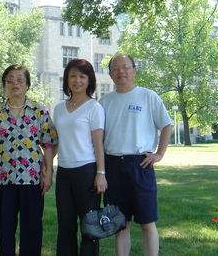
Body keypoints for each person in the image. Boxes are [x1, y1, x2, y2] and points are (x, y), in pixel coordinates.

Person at [99, 54, 173, 256]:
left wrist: (159, 154)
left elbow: (166, 125)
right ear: (110, 74)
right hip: (112, 166)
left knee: (147, 223)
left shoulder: (148, 96)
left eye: (125, 67)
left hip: (140, 165)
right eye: (115, 68)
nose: (120, 71)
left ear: (134, 70)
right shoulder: (104, 102)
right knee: (120, 225)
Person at [0, 64, 58, 256]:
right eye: (10, 79)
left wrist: (48, 173)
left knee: (32, 229)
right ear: (4, 85)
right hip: (3, 180)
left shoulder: (39, 110)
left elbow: (49, 143)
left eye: (20, 79)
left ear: (27, 85)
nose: (15, 83)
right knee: (4, 228)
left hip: (32, 179)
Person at [53, 59, 107, 256]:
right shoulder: (59, 108)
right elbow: (55, 141)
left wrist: (100, 173)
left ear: (89, 80)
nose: (77, 80)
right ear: (66, 80)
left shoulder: (94, 107)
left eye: (82, 76)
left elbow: (98, 143)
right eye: (73, 76)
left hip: (87, 171)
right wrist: (47, 168)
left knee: (89, 227)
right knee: (65, 226)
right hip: (64, 173)